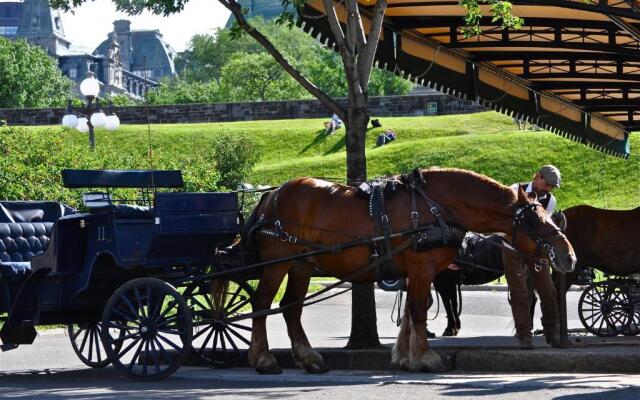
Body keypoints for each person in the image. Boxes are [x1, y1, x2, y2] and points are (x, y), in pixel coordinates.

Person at [505, 165, 562, 349]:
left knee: (548, 291)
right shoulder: (514, 190)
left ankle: (552, 333)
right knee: (519, 293)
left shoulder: (550, 200)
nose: (549, 189)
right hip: (512, 248)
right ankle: (524, 336)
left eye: (552, 187)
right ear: (537, 176)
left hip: (536, 251)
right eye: (548, 184)